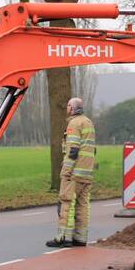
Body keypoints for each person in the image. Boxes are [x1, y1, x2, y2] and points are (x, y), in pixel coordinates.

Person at [47, 97, 96, 247]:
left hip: (73, 173)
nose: (66, 108)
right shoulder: (89, 123)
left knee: (67, 202)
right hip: (87, 172)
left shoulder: (74, 124)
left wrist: (66, 171)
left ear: (73, 108)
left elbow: (73, 150)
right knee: (83, 205)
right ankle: (80, 238)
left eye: (68, 105)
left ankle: (63, 238)